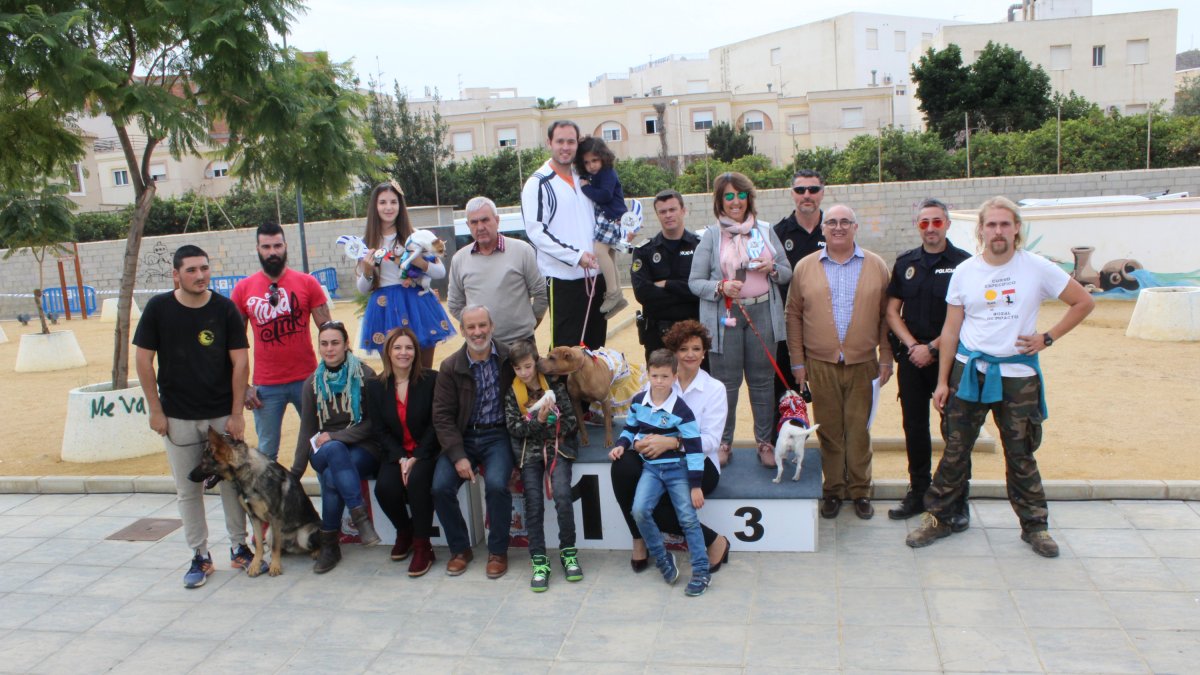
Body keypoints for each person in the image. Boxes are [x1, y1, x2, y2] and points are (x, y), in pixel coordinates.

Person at [907, 196, 1094, 558]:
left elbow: (1083, 301)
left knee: (1021, 452)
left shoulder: (1037, 267)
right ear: (980, 230)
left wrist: (1047, 337)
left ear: (1016, 229)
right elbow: (950, 330)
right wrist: (943, 381)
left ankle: (1035, 525)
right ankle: (939, 518)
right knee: (955, 450)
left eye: (1004, 224)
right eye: (991, 224)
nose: (997, 231)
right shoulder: (966, 272)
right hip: (970, 372)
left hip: (1016, 375)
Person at [133, 244, 257, 588]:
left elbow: (240, 362)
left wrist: (236, 413)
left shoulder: (225, 309)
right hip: (178, 417)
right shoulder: (159, 309)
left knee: (232, 484)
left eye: (204, 268)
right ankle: (200, 555)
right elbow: (143, 362)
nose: (200, 275)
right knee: (189, 489)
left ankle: (239, 546)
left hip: (221, 416)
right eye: (191, 270)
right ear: (176, 274)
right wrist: (155, 410)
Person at [785, 204, 893, 520]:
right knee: (830, 430)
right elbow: (793, 315)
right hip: (820, 364)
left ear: (855, 227)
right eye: (832, 222)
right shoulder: (805, 267)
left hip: (863, 363)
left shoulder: (876, 266)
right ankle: (833, 490)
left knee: (859, 430)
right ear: (823, 228)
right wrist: (798, 363)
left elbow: (887, 316)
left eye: (846, 221)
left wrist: (885, 357)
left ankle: (860, 490)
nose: (839, 227)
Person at [688, 171, 792, 468]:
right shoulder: (710, 235)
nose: (736, 202)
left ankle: (764, 442)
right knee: (725, 384)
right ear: (720, 202)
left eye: (741, 195)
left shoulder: (765, 230)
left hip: (762, 314)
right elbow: (695, 282)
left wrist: (772, 267)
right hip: (725, 317)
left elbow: (787, 273)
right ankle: (724, 442)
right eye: (729, 196)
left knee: (762, 383)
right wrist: (720, 287)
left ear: (749, 198)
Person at [610, 320, 730, 574]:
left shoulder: (714, 389)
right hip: (656, 460)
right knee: (622, 468)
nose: (690, 354)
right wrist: (636, 442)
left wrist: (672, 442)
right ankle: (638, 539)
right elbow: (638, 420)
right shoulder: (657, 381)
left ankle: (715, 541)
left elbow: (711, 441)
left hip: (698, 463)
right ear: (674, 353)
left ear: (704, 352)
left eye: (696, 349)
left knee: (661, 506)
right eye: (684, 348)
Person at [885, 199, 971, 525]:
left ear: (947, 224)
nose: (931, 228)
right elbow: (892, 311)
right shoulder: (906, 262)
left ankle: (957, 500)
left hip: (949, 359)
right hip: (912, 359)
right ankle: (919, 491)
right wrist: (912, 346)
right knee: (914, 427)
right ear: (917, 226)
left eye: (937, 222)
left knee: (955, 431)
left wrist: (932, 348)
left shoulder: (964, 264)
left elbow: (968, 315)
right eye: (924, 223)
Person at [609, 349, 710, 597]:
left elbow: (694, 447)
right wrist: (621, 446)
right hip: (651, 469)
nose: (659, 382)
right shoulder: (638, 402)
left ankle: (701, 571)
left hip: (677, 470)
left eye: (665, 376)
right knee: (639, 511)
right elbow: (630, 429)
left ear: (675, 377)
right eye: (655, 376)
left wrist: (695, 485)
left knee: (687, 518)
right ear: (648, 375)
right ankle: (663, 558)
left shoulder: (682, 410)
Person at [231, 222, 332, 461]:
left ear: (285, 246)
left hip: (307, 381)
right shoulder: (243, 289)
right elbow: (234, 344)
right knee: (267, 451)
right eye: (266, 246)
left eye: (277, 245)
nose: (272, 252)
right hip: (265, 386)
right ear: (257, 249)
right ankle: (270, 499)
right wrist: (243, 386)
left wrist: (332, 376)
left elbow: (329, 332)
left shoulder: (307, 283)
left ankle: (329, 497)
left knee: (321, 443)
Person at [290, 320, 382, 574]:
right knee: (333, 451)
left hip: (363, 447)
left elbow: (374, 423)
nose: (329, 349)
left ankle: (329, 544)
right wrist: (295, 473)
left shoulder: (365, 375)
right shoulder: (312, 383)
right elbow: (307, 429)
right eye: (324, 344)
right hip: (323, 448)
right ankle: (360, 518)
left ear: (346, 345)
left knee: (331, 474)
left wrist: (338, 435)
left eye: (335, 343)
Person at [431, 305, 516, 579]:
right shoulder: (450, 366)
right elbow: (442, 417)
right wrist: (457, 455)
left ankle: (498, 551)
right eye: (471, 327)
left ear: (491, 326)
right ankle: (460, 549)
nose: (477, 332)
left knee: (496, 486)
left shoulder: (508, 358)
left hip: (498, 435)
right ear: (462, 330)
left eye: (482, 325)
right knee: (440, 487)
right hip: (462, 437)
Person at [503, 340, 582, 592]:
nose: (524, 373)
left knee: (561, 494)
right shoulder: (512, 394)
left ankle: (568, 552)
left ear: (536, 363)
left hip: (558, 450)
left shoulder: (556, 387)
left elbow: (571, 422)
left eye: (528, 366)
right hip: (529, 456)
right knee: (533, 503)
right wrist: (538, 421)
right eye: (518, 369)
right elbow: (514, 429)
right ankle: (538, 559)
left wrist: (552, 420)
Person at [521, 120, 606, 349]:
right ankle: (559, 387)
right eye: (560, 141)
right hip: (563, 280)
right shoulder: (538, 184)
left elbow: (604, 210)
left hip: (597, 276)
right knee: (565, 351)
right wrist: (576, 256)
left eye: (571, 141)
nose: (565, 147)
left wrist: (621, 232)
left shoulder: (585, 175)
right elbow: (537, 232)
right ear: (549, 143)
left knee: (596, 348)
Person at [365, 327, 441, 577]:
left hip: (426, 451)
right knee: (385, 488)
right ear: (387, 352)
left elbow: (435, 424)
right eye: (397, 347)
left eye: (409, 347)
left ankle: (423, 546)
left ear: (416, 352)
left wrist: (416, 457)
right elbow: (380, 430)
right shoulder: (375, 386)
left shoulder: (431, 380)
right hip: (396, 452)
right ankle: (404, 531)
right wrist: (401, 458)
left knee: (418, 482)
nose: (403, 352)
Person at [355, 180, 454, 368]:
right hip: (384, 307)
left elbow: (440, 271)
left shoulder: (416, 236)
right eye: (383, 202)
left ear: (400, 205)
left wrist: (421, 263)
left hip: (416, 304)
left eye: (393, 202)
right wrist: (367, 272)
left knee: (423, 372)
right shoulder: (365, 242)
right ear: (374, 206)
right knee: (393, 376)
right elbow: (362, 289)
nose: (388, 207)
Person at [446, 196, 547, 348]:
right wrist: (477, 329)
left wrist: (529, 325)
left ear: (497, 220)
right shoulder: (459, 259)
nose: (480, 227)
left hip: (521, 344)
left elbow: (541, 293)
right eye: (474, 222)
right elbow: (454, 304)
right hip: (482, 347)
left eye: (485, 220)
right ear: (468, 225)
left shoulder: (522, 250)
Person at [773, 170, 827, 424]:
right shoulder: (777, 233)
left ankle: (832, 451)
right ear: (792, 194)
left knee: (829, 393)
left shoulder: (835, 229)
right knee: (784, 394)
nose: (807, 195)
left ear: (822, 193)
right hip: (787, 328)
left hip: (825, 327)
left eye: (813, 190)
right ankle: (780, 447)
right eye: (800, 190)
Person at [631, 189, 702, 362]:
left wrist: (667, 284)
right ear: (657, 215)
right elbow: (643, 293)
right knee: (661, 385)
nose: (668, 215)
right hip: (657, 335)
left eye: (672, 210)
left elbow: (703, 289)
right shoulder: (644, 251)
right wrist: (685, 290)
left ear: (683, 211)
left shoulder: (700, 246)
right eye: (662, 211)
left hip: (694, 332)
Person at [576, 135, 631, 318]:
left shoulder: (607, 173)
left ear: (603, 157)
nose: (591, 165)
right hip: (609, 218)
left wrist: (586, 188)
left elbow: (605, 195)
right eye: (587, 162)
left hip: (612, 218)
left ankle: (613, 292)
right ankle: (618, 296)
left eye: (595, 160)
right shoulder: (597, 174)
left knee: (600, 251)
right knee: (610, 255)